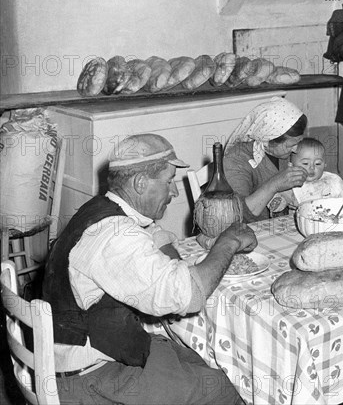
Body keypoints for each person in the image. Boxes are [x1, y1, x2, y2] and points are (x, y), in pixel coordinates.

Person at [43, 134, 257, 405]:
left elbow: (155, 235)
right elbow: (188, 296)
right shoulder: (115, 235)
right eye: (168, 182)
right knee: (228, 389)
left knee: (202, 361)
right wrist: (229, 241)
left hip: (96, 351)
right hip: (89, 379)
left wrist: (168, 253)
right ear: (140, 183)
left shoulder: (103, 209)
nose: (175, 192)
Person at [223, 97, 308, 221]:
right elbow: (237, 213)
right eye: (290, 145)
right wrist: (274, 184)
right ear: (268, 139)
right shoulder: (236, 159)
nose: (296, 149)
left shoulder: (285, 154)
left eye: (299, 142)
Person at [267, 137, 343, 213]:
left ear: (324, 165)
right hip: (304, 222)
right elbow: (280, 198)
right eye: (305, 163)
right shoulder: (291, 184)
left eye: (317, 164)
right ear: (291, 166)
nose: (312, 168)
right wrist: (277, 202)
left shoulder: (330, 179)